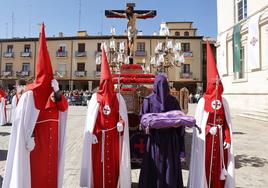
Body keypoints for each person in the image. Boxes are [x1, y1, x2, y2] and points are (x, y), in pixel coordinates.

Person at [3, 23, 68, 188]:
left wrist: (58, 92)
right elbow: (24, 121)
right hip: (36, 145)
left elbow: (64, 108)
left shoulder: (54, 91)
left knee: (50, 176)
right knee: (37, 177)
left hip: (52, 146)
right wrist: (29, 137)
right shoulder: (30, 94)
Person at [80, 47, 131, 188]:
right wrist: (94, 132)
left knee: (114, 163)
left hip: (114, 138)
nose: (107, 85)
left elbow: (121, 117)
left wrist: (121, 123)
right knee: (98, 165)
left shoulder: (119, 98)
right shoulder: (94, 98)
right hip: (99, 139)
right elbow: (91, 120)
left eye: (110, 82)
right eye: (105, 82)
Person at [188, 41, 235, 188]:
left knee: (219, 165)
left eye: (218, 83)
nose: (216, 86)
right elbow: (198, 125)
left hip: (220, 141)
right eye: (213, 84)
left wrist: (227, 137)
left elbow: (227, 122)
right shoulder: (202, 102)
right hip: (206, 141)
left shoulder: (224, 101)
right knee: (206, 164)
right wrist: (208, 129)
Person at [139, 74, 185, 188]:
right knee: (169, 165)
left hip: (156, 140)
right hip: (165, 140)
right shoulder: (172, 100)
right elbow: (144, 120)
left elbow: (142, 120)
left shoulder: (148, 100)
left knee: (158, 164)